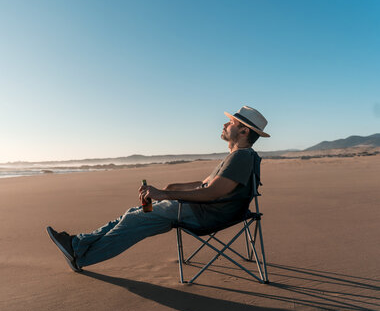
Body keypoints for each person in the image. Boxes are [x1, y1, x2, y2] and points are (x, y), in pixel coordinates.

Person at [47, 106, 270, 272]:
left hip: (204, 214)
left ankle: (81, 257)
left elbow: (213, 193)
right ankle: (77, 243)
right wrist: (169, 188)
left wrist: (164, 195)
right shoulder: (238, 157)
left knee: (136, 221)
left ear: (243, 132)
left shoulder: (241, 157)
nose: (224, 124)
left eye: (230, 122)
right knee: (134, 213)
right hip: (203, 209)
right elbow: (204, 184)